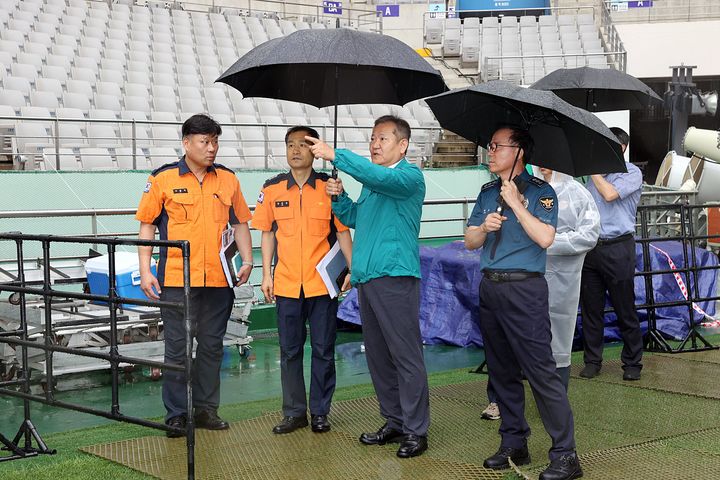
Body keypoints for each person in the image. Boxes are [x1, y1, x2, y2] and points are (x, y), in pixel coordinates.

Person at [307, 115, 430, 459]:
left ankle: (416, 429)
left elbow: (374, 174)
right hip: (368, 278)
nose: (375, 144)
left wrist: (336, 156)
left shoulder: (408, 177)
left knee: (405, 356)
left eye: (382, 139)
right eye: (372, 138)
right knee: (378, 356)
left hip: (395, 276)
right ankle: (395, 420)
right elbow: (357, 218)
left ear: (402, 145)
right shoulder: (377, 184)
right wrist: (340, 196)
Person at [465, 126, 582, 480]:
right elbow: (470, 241)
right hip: (491, 288)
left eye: (497, 145)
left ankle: (566, 455)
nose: (490, 150)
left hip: (525, 290)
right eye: (490, 144)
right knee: (501, 372)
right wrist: (484, 227)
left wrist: (516, 203)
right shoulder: (487, 192)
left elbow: (546, 237)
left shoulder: (541, 192)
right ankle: (514, 442)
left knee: (541, 373)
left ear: (519, 152)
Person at [136, 114, 253, 437]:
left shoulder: (228, 179)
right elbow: (147, 224)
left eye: (215, 141)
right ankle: (176, 414)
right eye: (204, 141)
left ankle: (205, 409)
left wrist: (247, 260)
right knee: (177, 347)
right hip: (176, 278)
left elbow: (241, 221)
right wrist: (146, 270)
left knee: (212, 346)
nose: (211, 148)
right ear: (186, 143)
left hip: (218, 279)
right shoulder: (162, 178)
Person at [251, 126, 353, 435]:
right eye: (290, 145)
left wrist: (352, 269)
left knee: (323, 349)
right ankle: (294, 413)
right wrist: (266, 274)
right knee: (290, 351)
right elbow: (267, 233)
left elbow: (343, 231)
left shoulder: (330, 186)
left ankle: (320, 412)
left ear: (314, 150)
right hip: (285, 284)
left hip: (322, 285)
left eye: (303, 145)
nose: (296, 150)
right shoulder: (271, 189)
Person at [579, 127, 643, 382]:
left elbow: (609, 194)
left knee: (624, 307)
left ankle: (633, 363)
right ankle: (592, 361)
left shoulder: (632, 173)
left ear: (621, 148)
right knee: (591, 309)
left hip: (618, 246)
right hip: (592, 247)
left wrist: (593, 170)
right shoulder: (591, 179)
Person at [539, 167, 600, 390]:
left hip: (564, 276)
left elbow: (589, 234)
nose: (543, 165)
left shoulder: (578, 193)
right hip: (529, 274)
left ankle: (556, 396)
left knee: (559, 333)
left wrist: (549, 242)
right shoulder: (529, 191)